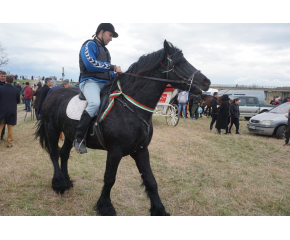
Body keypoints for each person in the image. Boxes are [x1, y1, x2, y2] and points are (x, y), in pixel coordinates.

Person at [74, 23, 122, 154]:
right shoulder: (89, 45)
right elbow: (90, 64)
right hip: (90, 82)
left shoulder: (106, 51)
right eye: (110, 35)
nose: (111, 39)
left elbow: (107, 72)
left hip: (105, 83)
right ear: (102, 32)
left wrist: (116, 74)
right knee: (95, 103)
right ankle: (78, 139)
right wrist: (112, 67)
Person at [0, 75, 20, 148]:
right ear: (12, 81)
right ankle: (10, 143)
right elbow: (18, 101)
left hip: (1, 110)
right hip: (12, 110)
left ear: (5, 80)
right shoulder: (17, 90)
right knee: (11, 127)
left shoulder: (1, 89)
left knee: (0, 126)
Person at [0, 71, 6, 140]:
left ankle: (1, 136)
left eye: (4, 76)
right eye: (2, 76)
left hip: (4, 106)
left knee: (3, 122)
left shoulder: (7, 84)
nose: (3, 78)